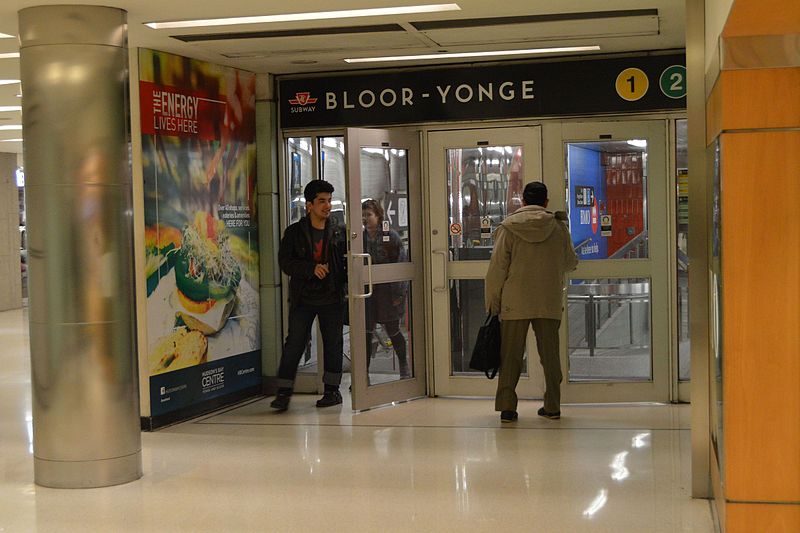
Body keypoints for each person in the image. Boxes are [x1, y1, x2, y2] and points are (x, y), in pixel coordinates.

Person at [485, 181, 578, 422]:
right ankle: (553, 406)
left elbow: (497, 269)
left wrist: (493, 304)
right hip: (548, 299)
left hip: (514, 301)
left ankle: (507, 408)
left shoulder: (508, 228)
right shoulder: (558, 227)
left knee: (511, 355)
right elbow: (570, 262)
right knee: (550, 355)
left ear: (522, 201)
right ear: (545, 202)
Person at [271, 180, 347, 411]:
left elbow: (347, 261)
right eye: (322, 201)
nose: (327, 206)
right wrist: (310, 269)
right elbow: (286, 262)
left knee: (333, 343)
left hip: (332, 297)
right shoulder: (294, 233)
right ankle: (283, 392)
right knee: (294, 344)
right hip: (303, 298)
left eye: (329, 200)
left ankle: (332, 391)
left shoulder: (338, 231)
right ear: (309, 205)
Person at [361, 199, 410, 380]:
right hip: (367, 291)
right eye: (363, 215)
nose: (366, 219)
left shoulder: (391, 237)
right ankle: (363, 373)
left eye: (369, 215)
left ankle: (404, 366)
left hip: (387, 291)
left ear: (378, 216)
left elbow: (400, 264)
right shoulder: (360, 238)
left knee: (392, 329)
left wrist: (398, 293)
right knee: (366, 332)